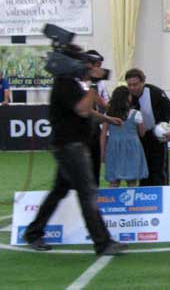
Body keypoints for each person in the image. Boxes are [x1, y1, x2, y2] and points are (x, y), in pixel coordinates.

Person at [23, 64, 125, 255]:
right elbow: (83, 110)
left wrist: (108, 120)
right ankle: (103, 243)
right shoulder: (65, 83)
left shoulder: (70, 84)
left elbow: (85, 110)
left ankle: (33, 232)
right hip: (70, 147)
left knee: (59, 191)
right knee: (87, 193)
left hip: (71, 146)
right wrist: (95, 83)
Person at [126, 68, 170, 186]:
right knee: (143, 172)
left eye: (135, 84)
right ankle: (145, 199)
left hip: (157, 137)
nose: (132, 88)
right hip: (138, 139)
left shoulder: (155, 93)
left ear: (143, 82)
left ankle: (162, 196)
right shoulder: (126, 96)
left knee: (159, 169)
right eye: (129, 85)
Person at [101, 86, 148, 188]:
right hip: (132, 147)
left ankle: (112, 203)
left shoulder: (108, 114)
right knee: (132, 182)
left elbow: (103, 135)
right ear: (127, 98)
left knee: (114, 181)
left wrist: (102, 152)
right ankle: (132, 203)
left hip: (113, 147)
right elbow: (142, 133)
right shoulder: (136, 114)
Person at [82, 50, 110, 187]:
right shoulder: (79, 81)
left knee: (95, 166)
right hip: (80, 131)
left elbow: (105, 104)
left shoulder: (100, 84)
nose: (100, 69)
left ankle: (94, 198)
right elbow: (92, 106)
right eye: (98, 65)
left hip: (94, 128)